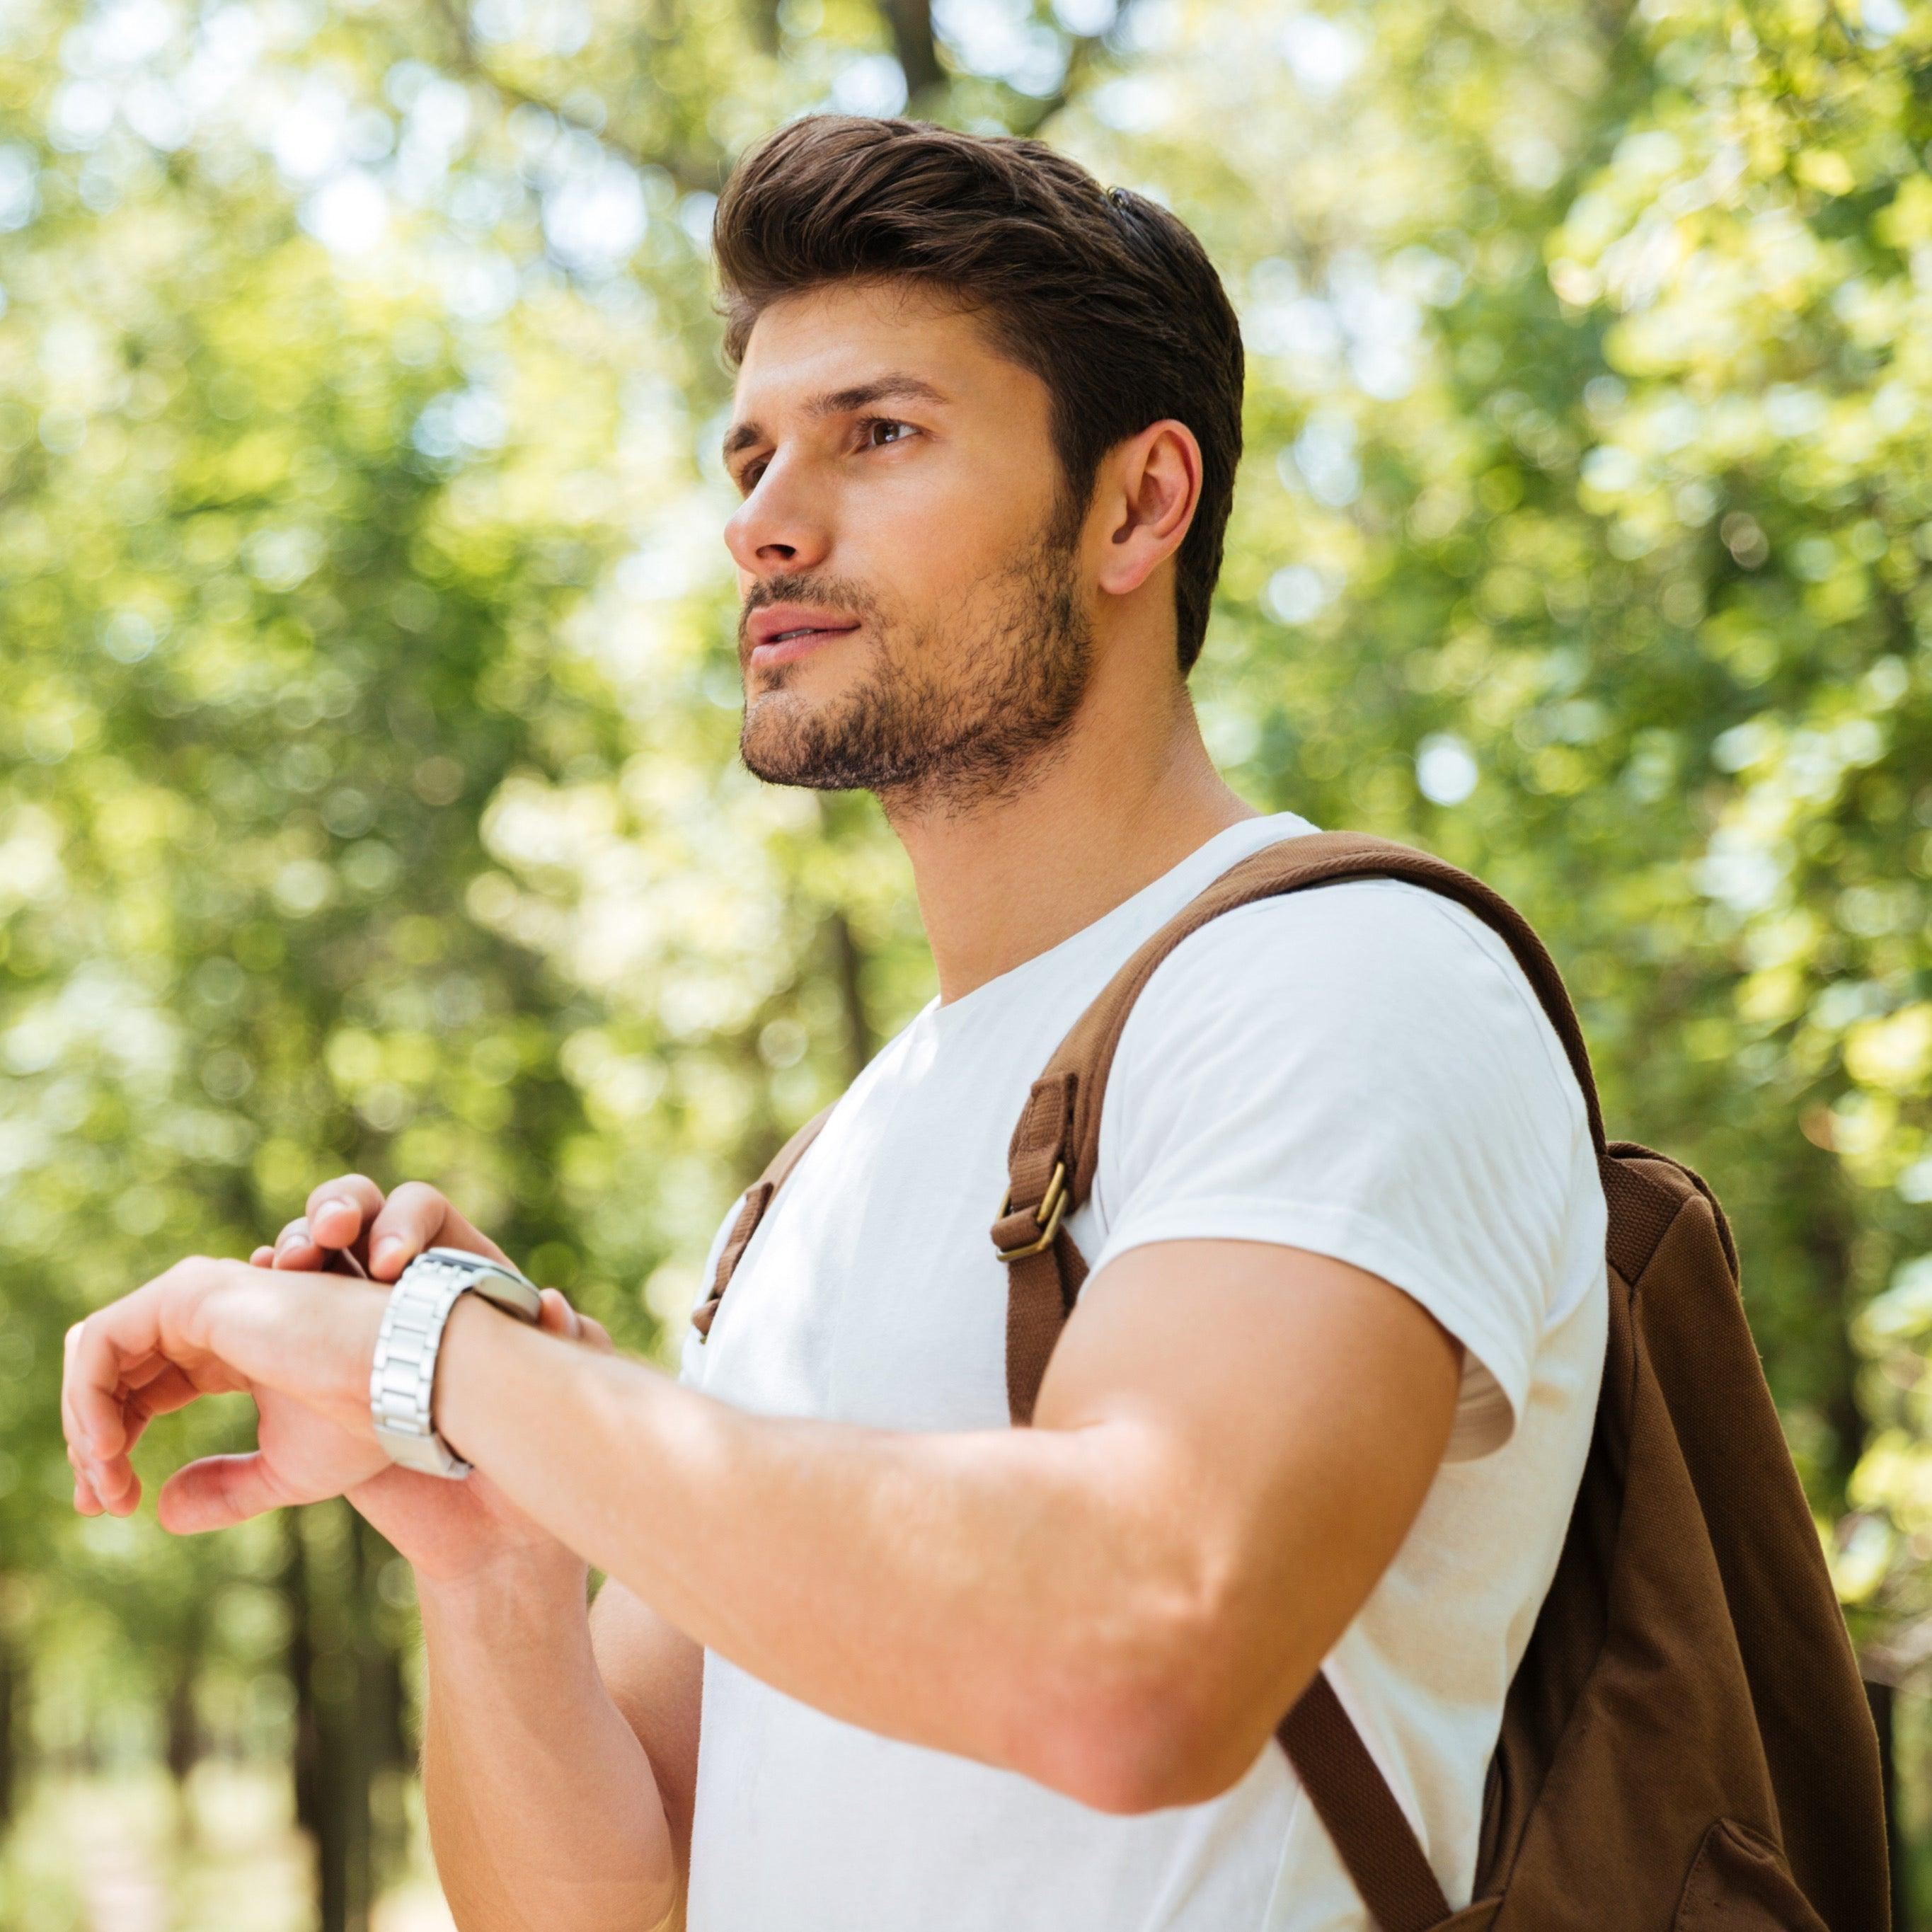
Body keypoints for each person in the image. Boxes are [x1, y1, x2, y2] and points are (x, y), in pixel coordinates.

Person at [60, 115, 1607, 1932]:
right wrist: (494, 1542)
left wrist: (442, 1366)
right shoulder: (840, 1164)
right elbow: (597, 1905)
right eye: (752, 454)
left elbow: (1137, 1658)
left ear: (1138, 504)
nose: (763, 520)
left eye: (879, 434)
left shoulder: (1336, 982)